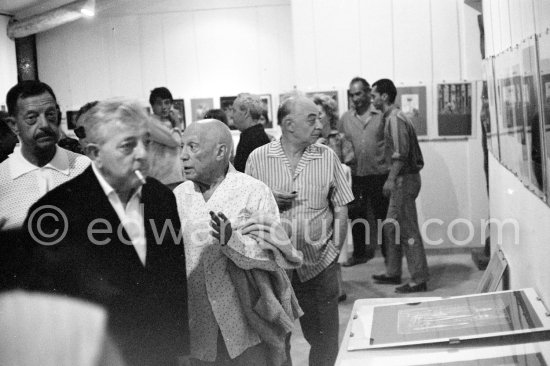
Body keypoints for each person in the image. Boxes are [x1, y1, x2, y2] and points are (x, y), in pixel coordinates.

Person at [21, 98, 190, 366]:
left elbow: (172, 279)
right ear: (94, 153)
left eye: (145, 142)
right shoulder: (54, 213)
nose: (143, 154)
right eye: (127, 145)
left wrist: (178, 350)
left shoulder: (160, 197)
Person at [174, 119, 302, 365]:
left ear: (220, 151)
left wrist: (231, 240)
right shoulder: (178, 196)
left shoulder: (253, 191)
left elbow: (274, 255)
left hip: (244, 318)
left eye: (192, 147)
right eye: (182, 147)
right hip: (198, 318)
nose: (183, 156)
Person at [246, 93, 354, 366]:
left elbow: (342, 207)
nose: (319, 124)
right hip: (275, 267)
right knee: (276, 339)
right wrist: (269, 194)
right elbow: (245, 208)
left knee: (325, 339)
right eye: (311, 119)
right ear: (289, 124)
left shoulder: (327, 157)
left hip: (318, 263)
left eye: (319, 118)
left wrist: (334, 250)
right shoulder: (258, 158)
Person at [0, 81, 90, 230]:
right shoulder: (2, 177)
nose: (44, 125)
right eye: (31, 118)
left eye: (50, 114)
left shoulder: (84, 168)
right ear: (13, 125)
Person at [370, 78, 429, 293]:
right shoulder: (392, 117)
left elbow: (400, 154)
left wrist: (391, 179)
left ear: (384, 96)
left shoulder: (394, 119)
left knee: (407, 230)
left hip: (404, 179)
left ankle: (419, 278)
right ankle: (393, 272)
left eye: (374, 95)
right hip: (402, 179)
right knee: (390, 226)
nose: (372, 99)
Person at [338, 77, 389, 266]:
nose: (354, 98)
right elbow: (342, 145)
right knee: (356, 217)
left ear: (368, 93)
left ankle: (389, 256)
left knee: (383, 218)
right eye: (352, 94)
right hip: (355, 176)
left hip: (380, 174)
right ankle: (359, 254)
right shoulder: (346, 119)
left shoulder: (382, 115)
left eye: (358, 93)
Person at [232, 93, 271, 172]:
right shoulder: (258, 135)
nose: (232, 116)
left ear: (246, 112)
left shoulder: (249, 139)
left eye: (234, 111)